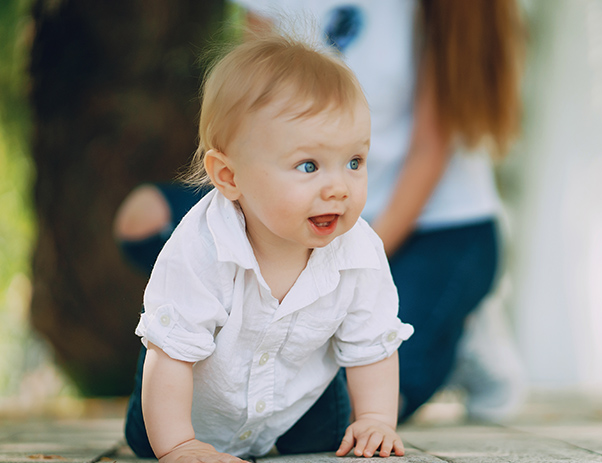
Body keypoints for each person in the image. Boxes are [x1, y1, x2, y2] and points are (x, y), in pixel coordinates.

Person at [115, 0, 525, 423]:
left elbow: (428, 150)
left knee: (345, 410)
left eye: (356, 161)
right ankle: (239, 321)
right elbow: (249, 118)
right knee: (146, 220)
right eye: (310, 164)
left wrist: (336, 266)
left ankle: (450, 329)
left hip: (435, 226)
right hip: (293, 204)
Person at [124, 29, 413, 463]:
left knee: (328, 437)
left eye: (354, 162)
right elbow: (174, 353)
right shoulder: (202, 247)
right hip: (193, 408)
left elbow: (372, 343)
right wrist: (178, 444)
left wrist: (375, 419)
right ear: (229, 176)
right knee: (150, 429)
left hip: (301, 404)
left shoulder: (359, 250)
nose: (339, 187)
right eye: (309, 165)